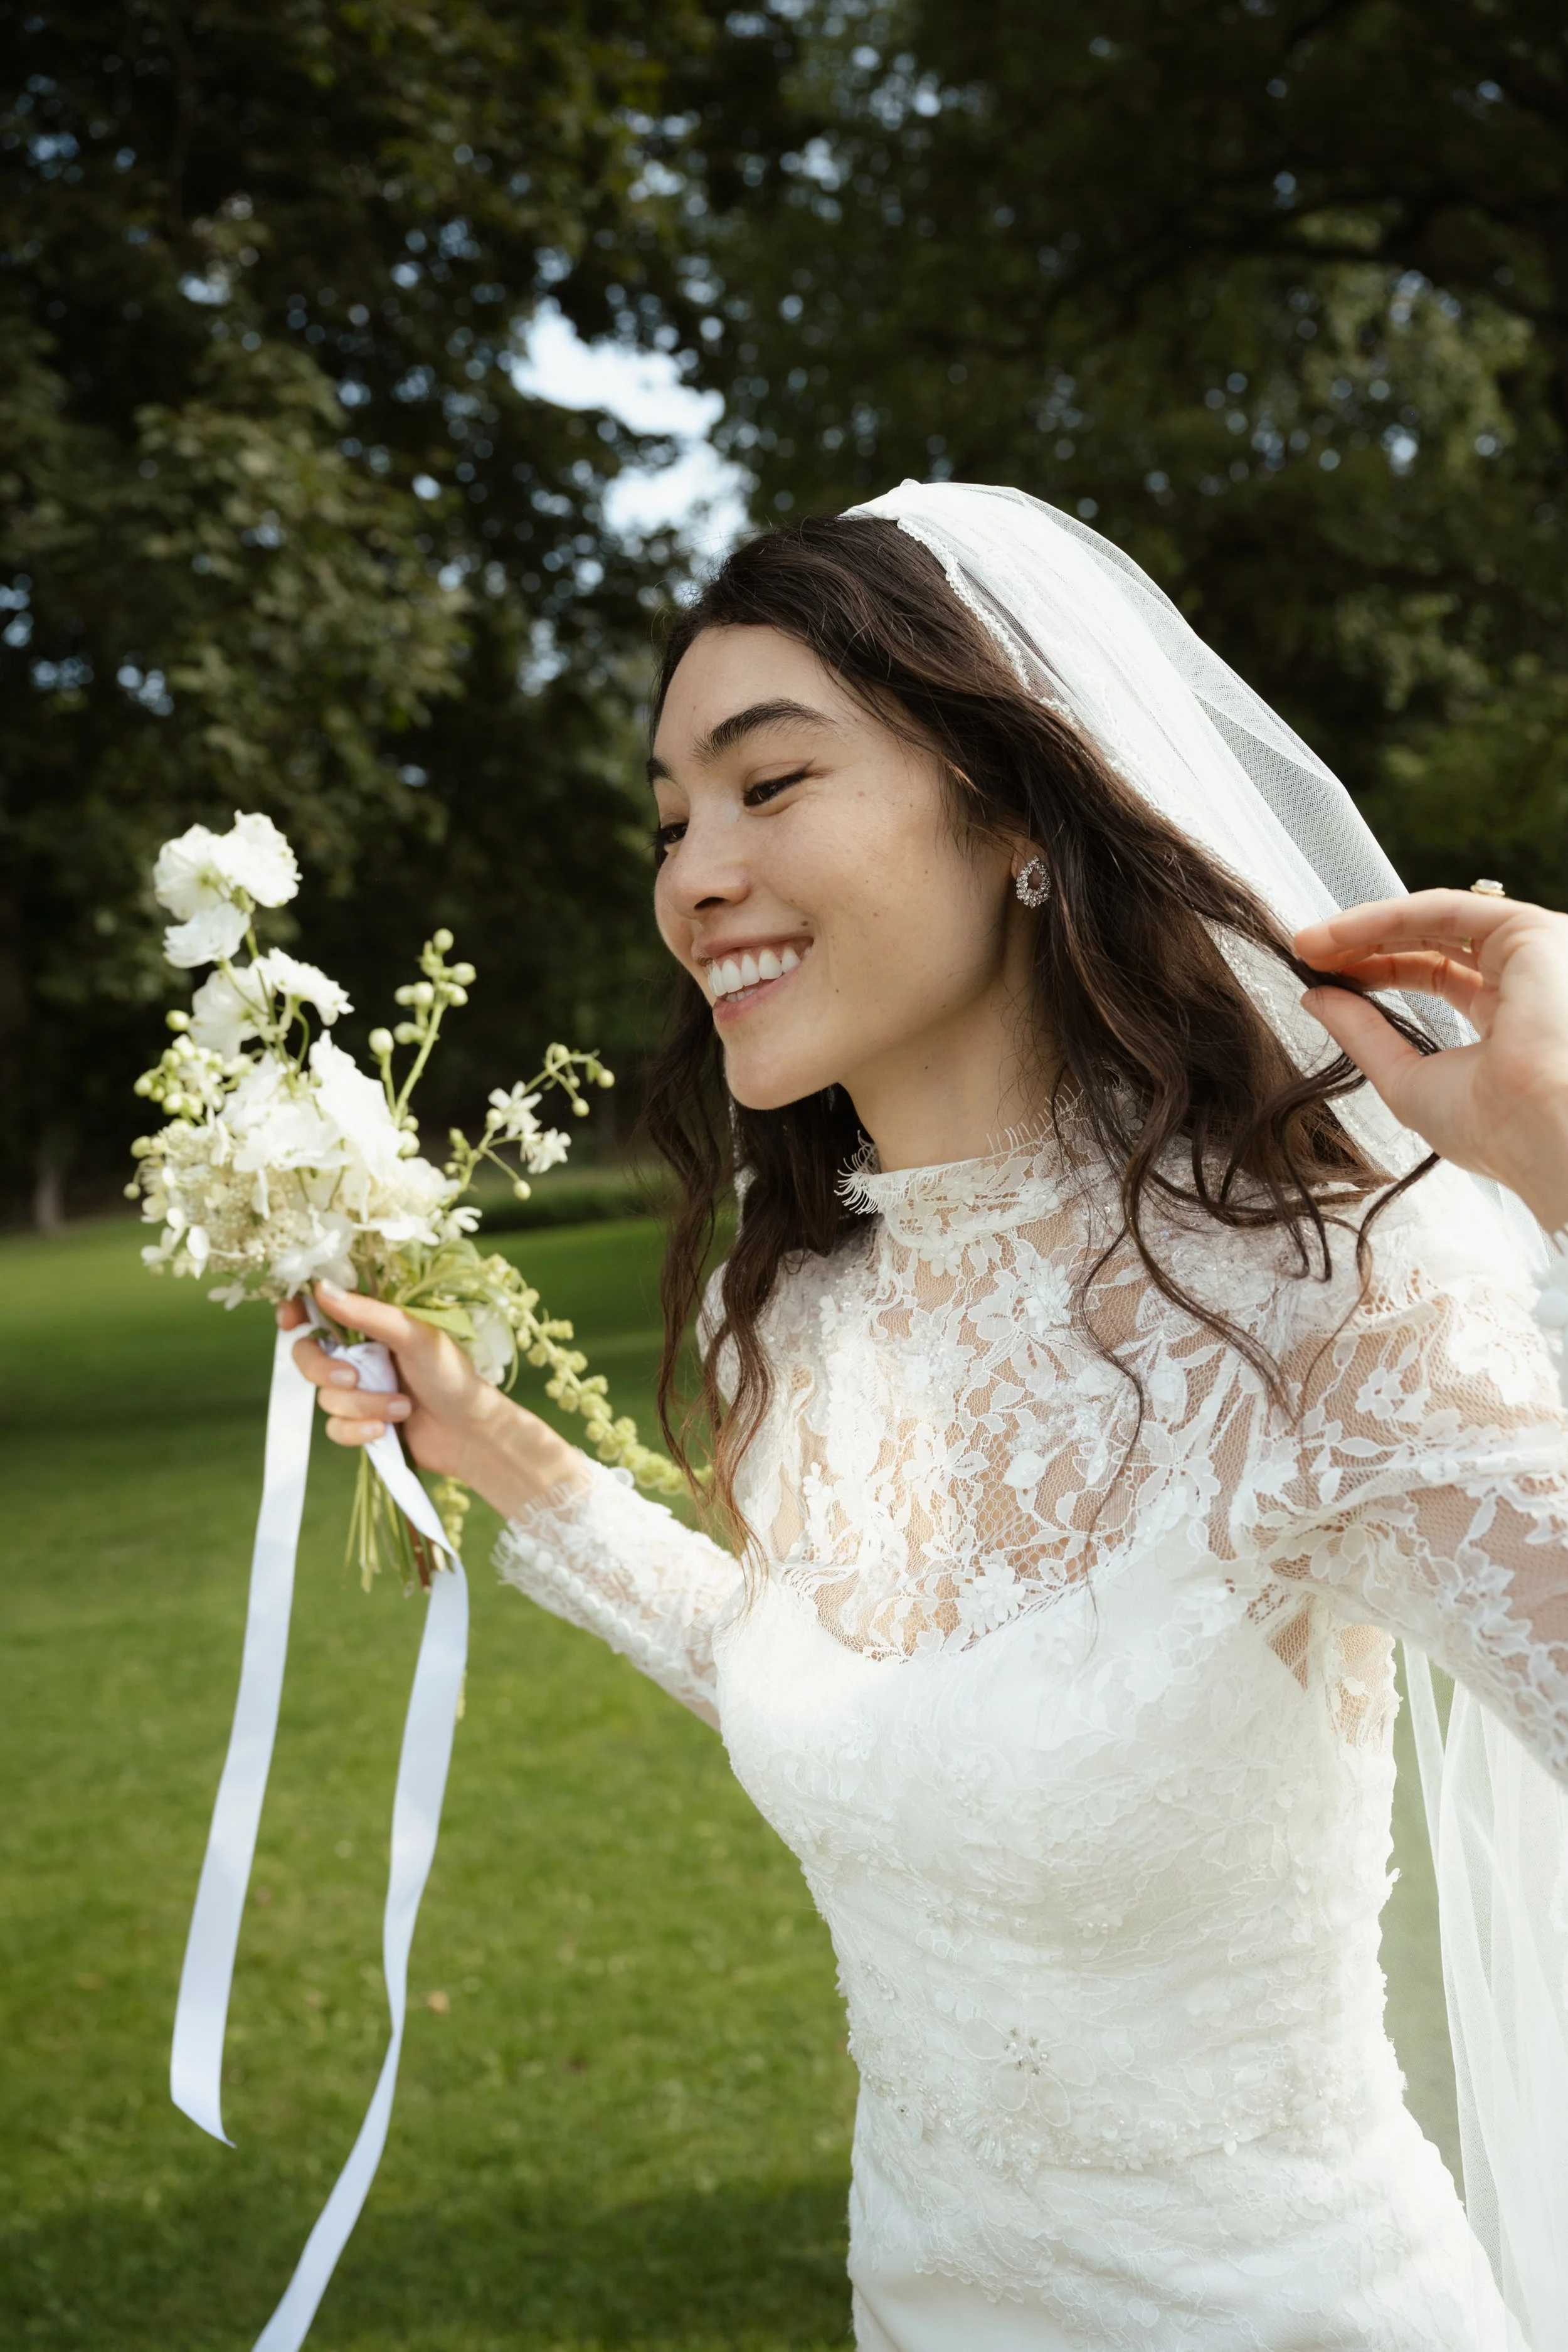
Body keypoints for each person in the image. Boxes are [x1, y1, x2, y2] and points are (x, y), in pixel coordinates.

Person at [280, 484, 1568, 2350]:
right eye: (669, 817)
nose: (693, 873)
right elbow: (842, 1696)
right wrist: (491, 1447)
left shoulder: (1318, 1311)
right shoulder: (802, 1313)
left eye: (768, 781)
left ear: (1017, 820)